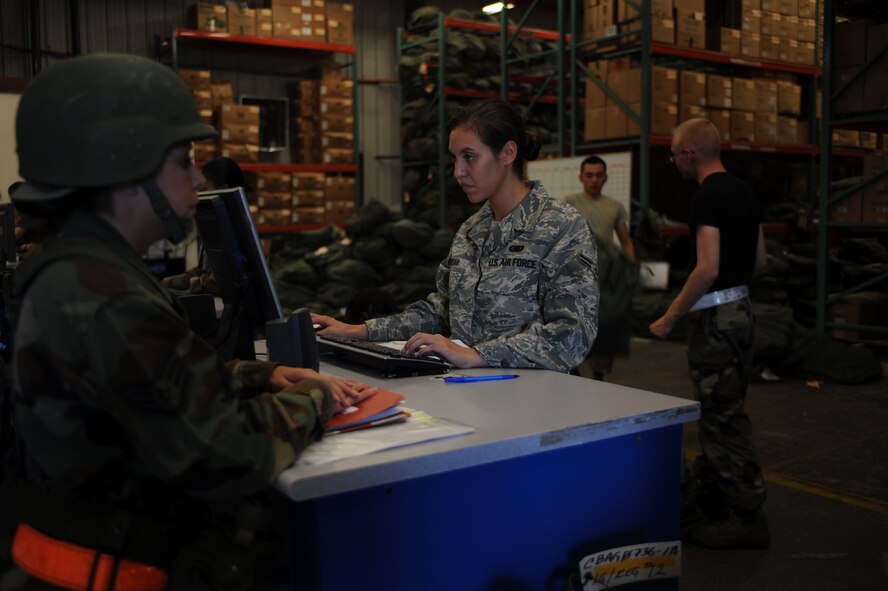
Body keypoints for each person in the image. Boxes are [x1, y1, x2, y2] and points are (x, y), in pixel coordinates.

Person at [1, 53, 376, 590]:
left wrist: (260, 375)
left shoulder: (82, 270)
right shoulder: (104, 295)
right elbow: (231, 453)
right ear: (124, 172)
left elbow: (146, 378)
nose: (199, 176)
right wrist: (314, 399)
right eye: (183, 160)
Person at [313, 99, 599, 372]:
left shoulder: (562, 227)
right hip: (468, 390)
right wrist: (359, 331)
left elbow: (573, 335)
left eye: (469, 157)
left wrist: (477, 355)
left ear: (508, 153)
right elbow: (441, 312)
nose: (458, 172)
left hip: (530, 399)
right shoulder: (472, 230)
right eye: (455, 158)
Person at [649, 118, 769, 549]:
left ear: (688, 154)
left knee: (721, 417)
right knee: (728, 405)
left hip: (716, 319)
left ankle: (746, 515)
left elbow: (707, 268)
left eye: (675, 154)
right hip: (742, 311)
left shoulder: (706, 197)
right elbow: (760, 263)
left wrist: (670, 316)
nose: (675, 161)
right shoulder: (743, 192)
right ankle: (722, 496)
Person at [561, 155, 636, 380]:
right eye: (589, 175)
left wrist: (629, 270)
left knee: (605, 328)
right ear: (581, 178)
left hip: (605, 279)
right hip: (574, 278)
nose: (594, 180)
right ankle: (571, 371)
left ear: (605, 178)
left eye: (598, 175)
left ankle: (598, 376)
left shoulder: (615, 206)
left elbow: (625, 241)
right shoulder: (569, 203)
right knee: (571, 325)